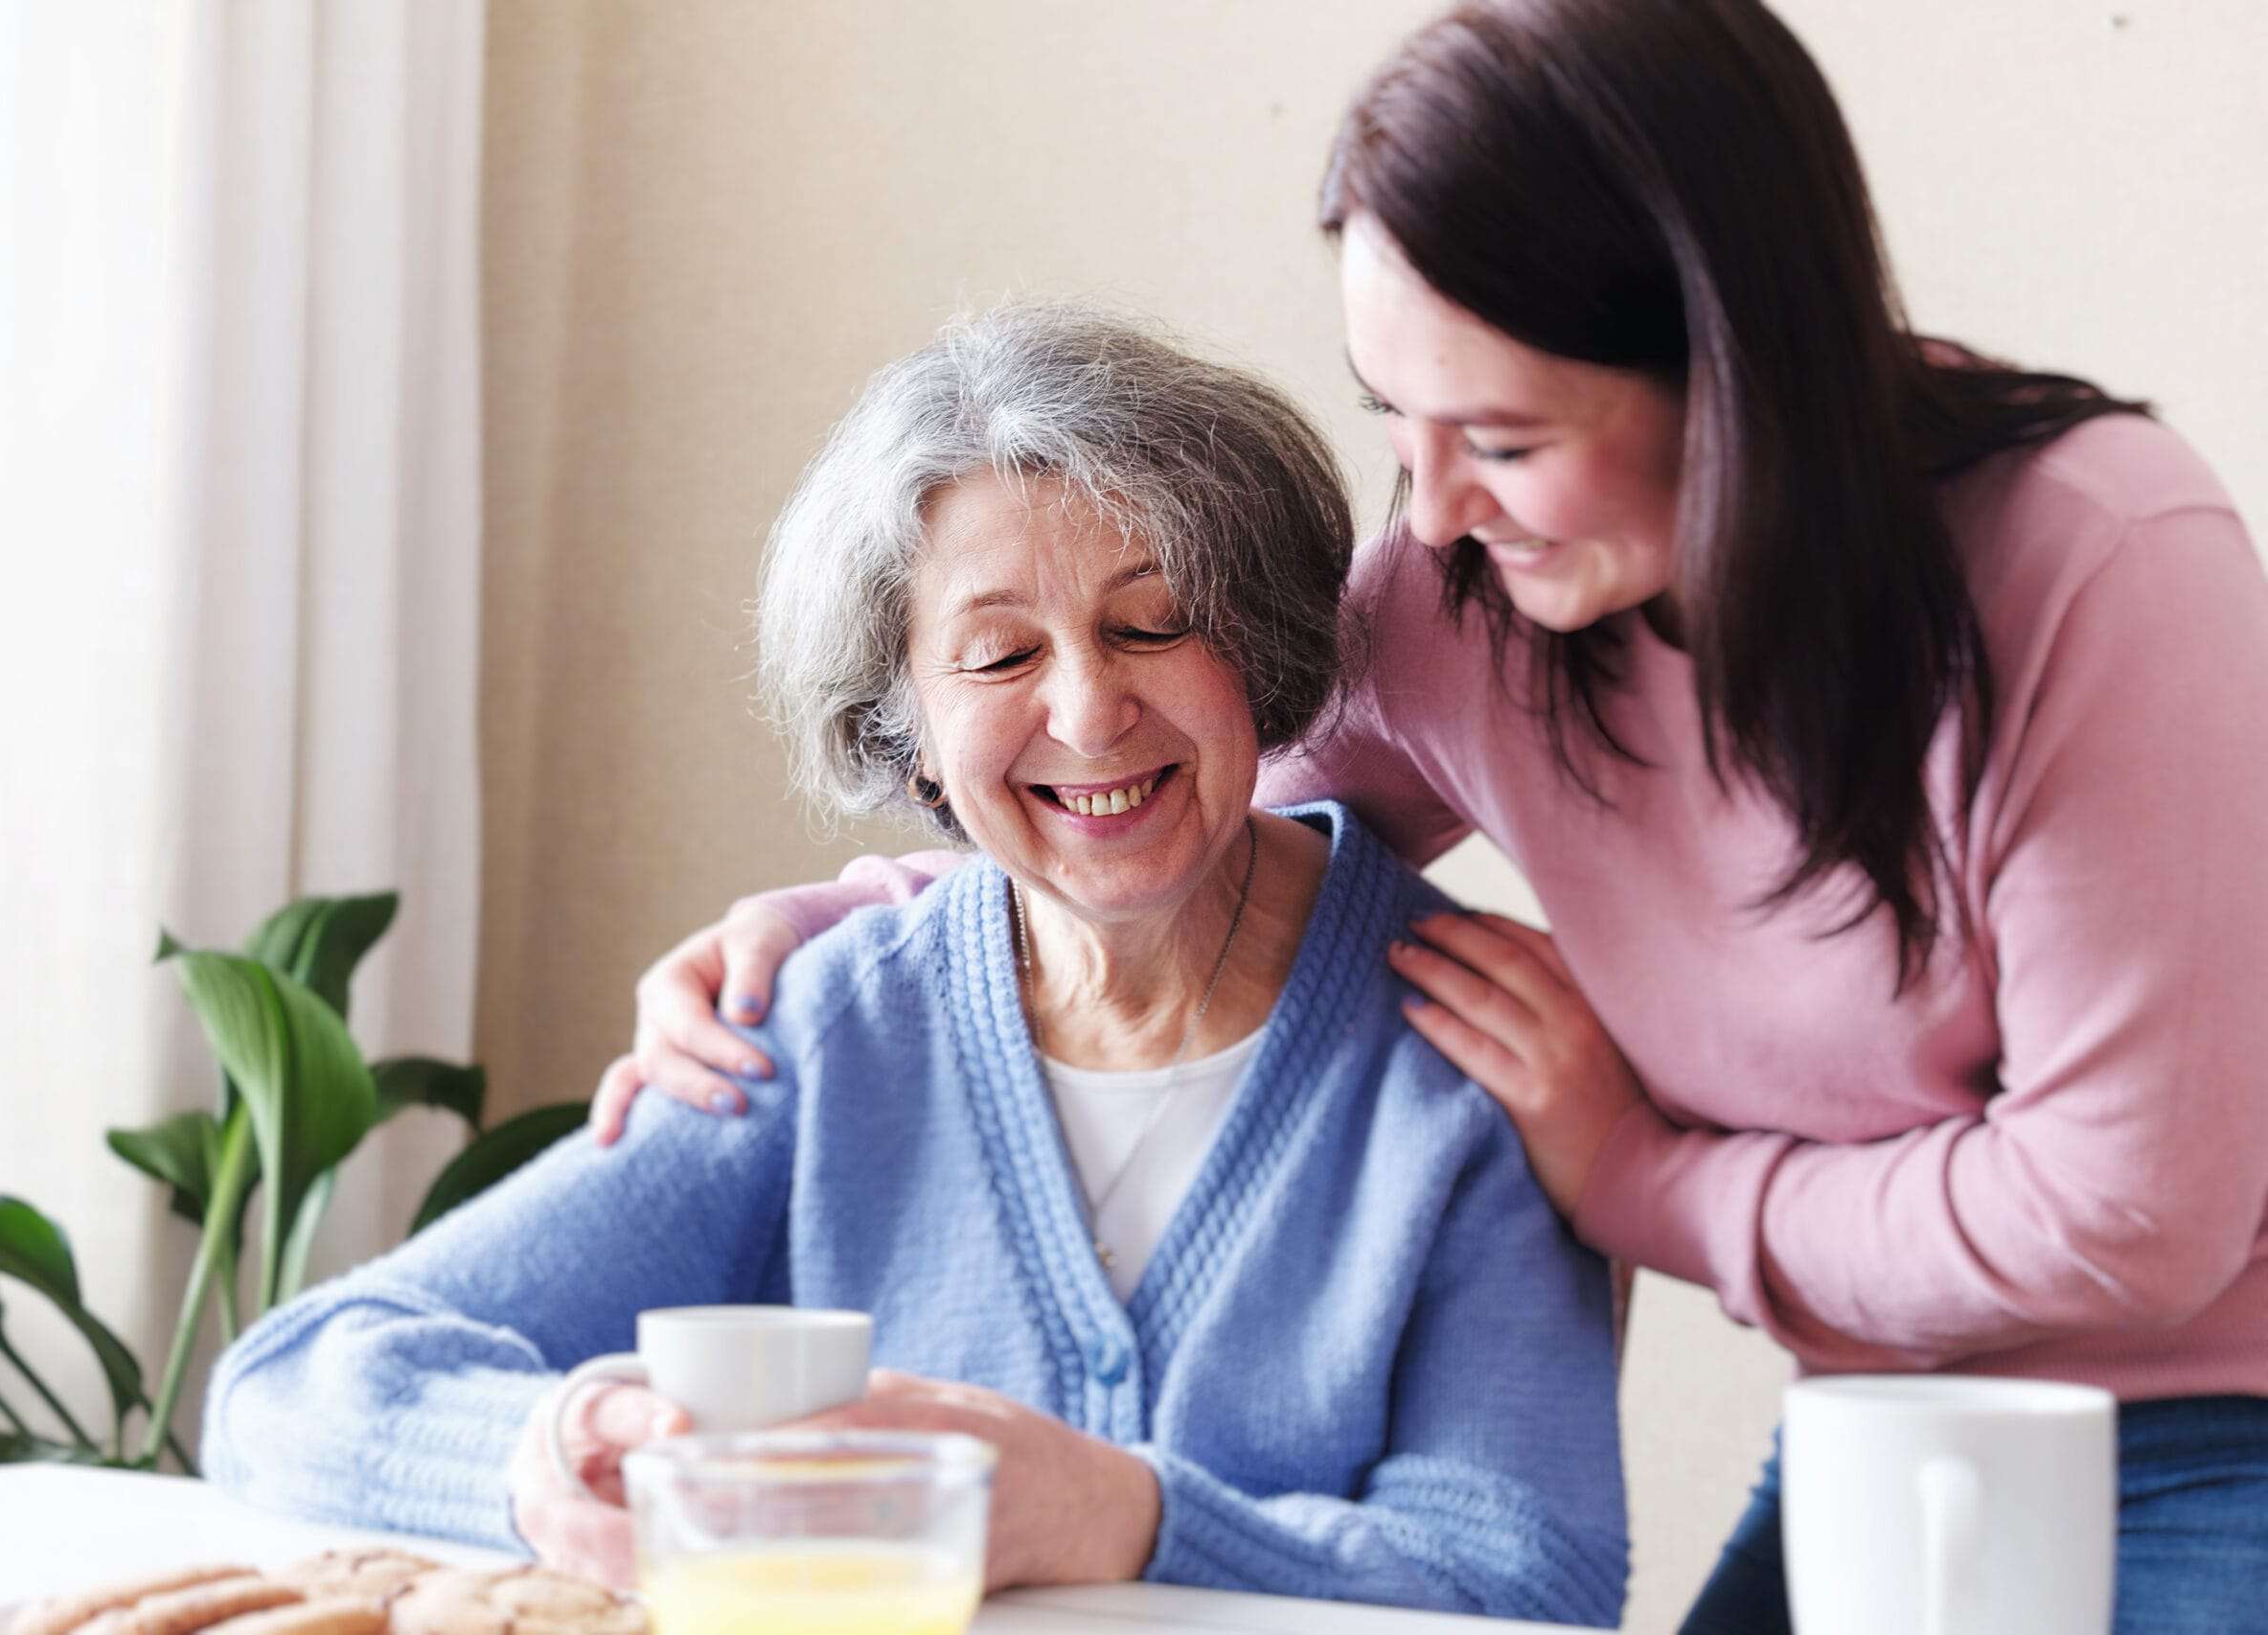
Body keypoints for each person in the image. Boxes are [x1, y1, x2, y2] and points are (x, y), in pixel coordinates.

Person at [593, 4, 2268, 1630]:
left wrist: (1643, 1177)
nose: (1437, 510)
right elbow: (1173, 814)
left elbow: (2131, 1210)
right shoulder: (1475, 598)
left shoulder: (2098, 564)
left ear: (1735, 363)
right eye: (1398, 416)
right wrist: (844, 924)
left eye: (1506, 437)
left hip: (2216, 1428)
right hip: (1883, 1428)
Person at [202, 303, 1629, 1626]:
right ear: (912, 731)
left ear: (1251, 642)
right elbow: (291, 1385)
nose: (1087, 709)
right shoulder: (819, 1025)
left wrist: (1118, 1514)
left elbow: (1527, 1571)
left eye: (1151, 622)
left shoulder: (1474, 1045)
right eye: (999, 656)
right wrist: (576, 1444)